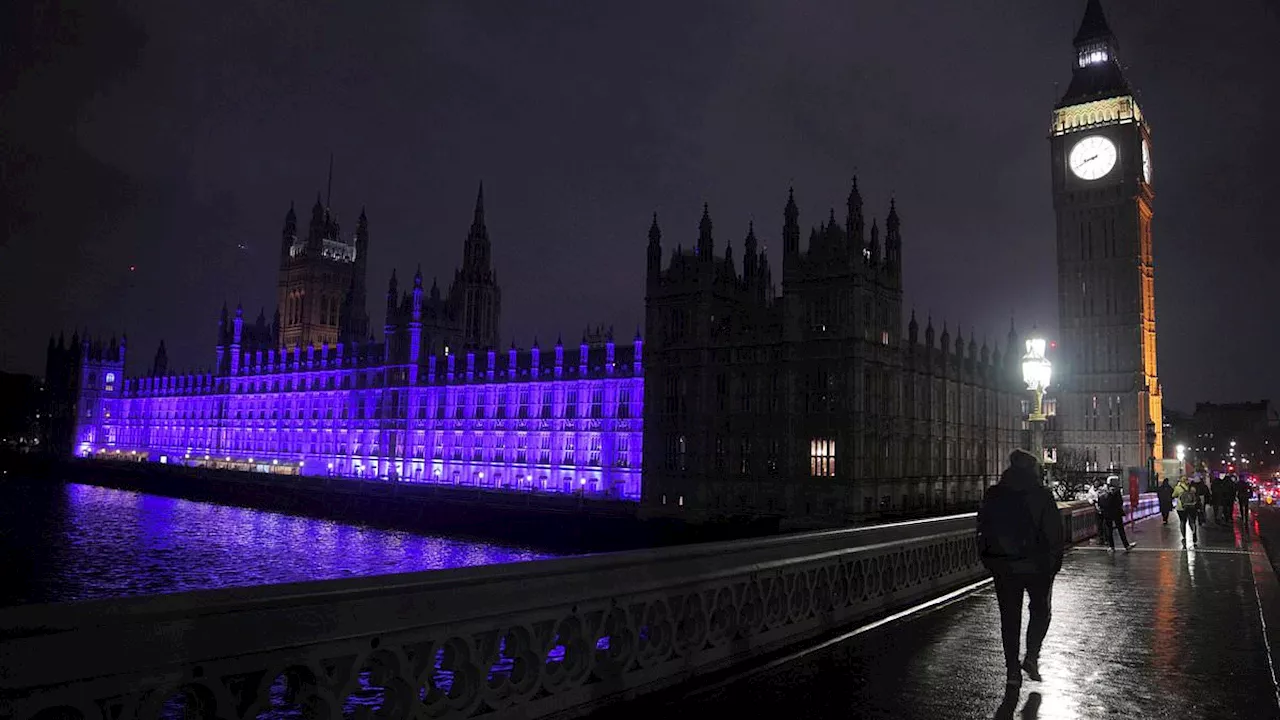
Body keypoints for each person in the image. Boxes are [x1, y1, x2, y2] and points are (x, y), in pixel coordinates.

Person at [977, 449, 1065, 688]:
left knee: (1009, 619)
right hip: (1037, 566)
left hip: (1004, 565)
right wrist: (1054, 562)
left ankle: (1012, 670)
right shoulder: (1042, 495)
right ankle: (1031, 657)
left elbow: (982, 528)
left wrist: (988, 559)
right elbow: (1054, 533)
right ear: (1032, 469)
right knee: (1041, 612)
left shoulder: (993, 494)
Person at [1100, 479, 1135, 552]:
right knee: (1120, 529)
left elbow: (1101, 502)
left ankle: (1111, 546)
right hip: (1116, 513)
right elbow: (1120, 502)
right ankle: (1126, 545)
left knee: (1109, 530)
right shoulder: (1117, 492)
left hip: (1107, 513)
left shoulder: (1104, 492)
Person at [1173, 476, 1198, 547]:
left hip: (1181, 507)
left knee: (1182, 521)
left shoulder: (1177, 488)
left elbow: (1173, 495)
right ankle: (1194, 533)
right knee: (1192, 521)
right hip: (1191, 507)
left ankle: (1184, 537)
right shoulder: (1192, 488)